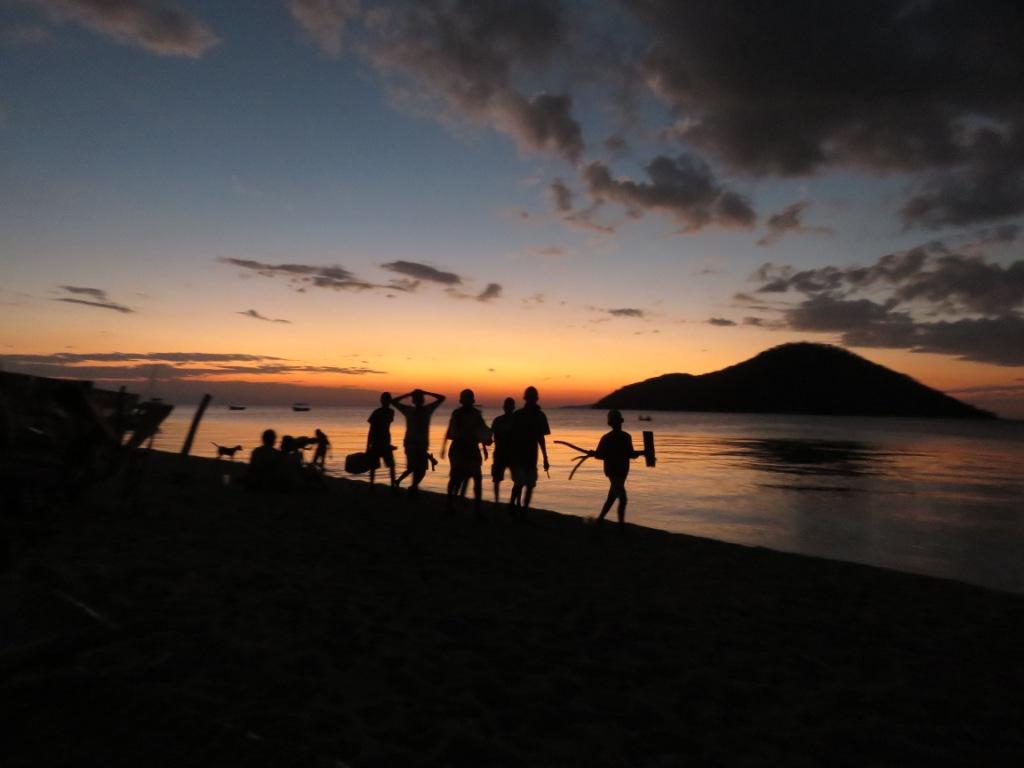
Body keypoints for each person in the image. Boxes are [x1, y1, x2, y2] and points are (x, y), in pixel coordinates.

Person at [591, 409, 644, 529]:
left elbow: (630, 454)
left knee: (612, 497)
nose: (616, 424)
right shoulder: (618, 437)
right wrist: (642, 453)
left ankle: (599, 520)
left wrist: (642, 452)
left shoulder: (617, 437)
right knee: (623, 499)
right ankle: (621, 526)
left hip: (619, 471)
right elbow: (630, 454)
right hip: (614, 472)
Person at [441, 389, 491, 513]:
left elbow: (482, 431)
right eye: (466, 399)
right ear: (462, 401)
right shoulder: (457, 413)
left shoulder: (476, 414)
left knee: (477, 478)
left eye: (469, 399)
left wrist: (485, 445)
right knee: (455, 479)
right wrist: (444, 446)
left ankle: (477, 509)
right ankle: (450, 503)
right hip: (459, 449)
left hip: (471, 449)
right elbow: (451, 431)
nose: (468, 402)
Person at [392, 388, 446, 495]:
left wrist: (425, 392)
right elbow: (393, 402)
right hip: (411, 444)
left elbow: (442, 398)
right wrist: (410, 393)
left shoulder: (426, 409)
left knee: (420, 470)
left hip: (420, 444)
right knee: (415, 468)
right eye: (418, 398)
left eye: (420, 398)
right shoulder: (411, 410)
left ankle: (411, 486)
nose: (420, 400)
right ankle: (412, 488)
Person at [508, 386, 550, 517]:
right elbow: (511, 436)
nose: (532, 400)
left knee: (527, 485)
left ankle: (521, 510)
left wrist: (545, 458)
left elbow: (541, 439)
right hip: (521, 456)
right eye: (531, 398)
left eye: (532, 398)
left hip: (530, 457)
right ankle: (514, 507)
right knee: (521, 484)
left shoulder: (537, 415)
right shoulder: (520, 415)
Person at [366, 392, 396, 489]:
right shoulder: (380, 412)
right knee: (374, 466)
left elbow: (373, 429)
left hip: (385, 443)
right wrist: (368, 445)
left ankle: (391, 486)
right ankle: (372, 486)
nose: (385, 402)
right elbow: (371, 430)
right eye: (385, 400)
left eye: (387, 400)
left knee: (391, 466)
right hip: (377, 443)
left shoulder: (390, 412)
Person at [489, 397, 515, 503]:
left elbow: (489, 436)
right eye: (507, 406)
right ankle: (498, 501)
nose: (508, 408)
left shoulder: (515, 421)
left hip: (511, 454)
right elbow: (489, 436)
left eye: (509, 406)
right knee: (497, 480)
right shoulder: (498, 420)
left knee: (517, 480)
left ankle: (511, 502)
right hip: (501, 453)